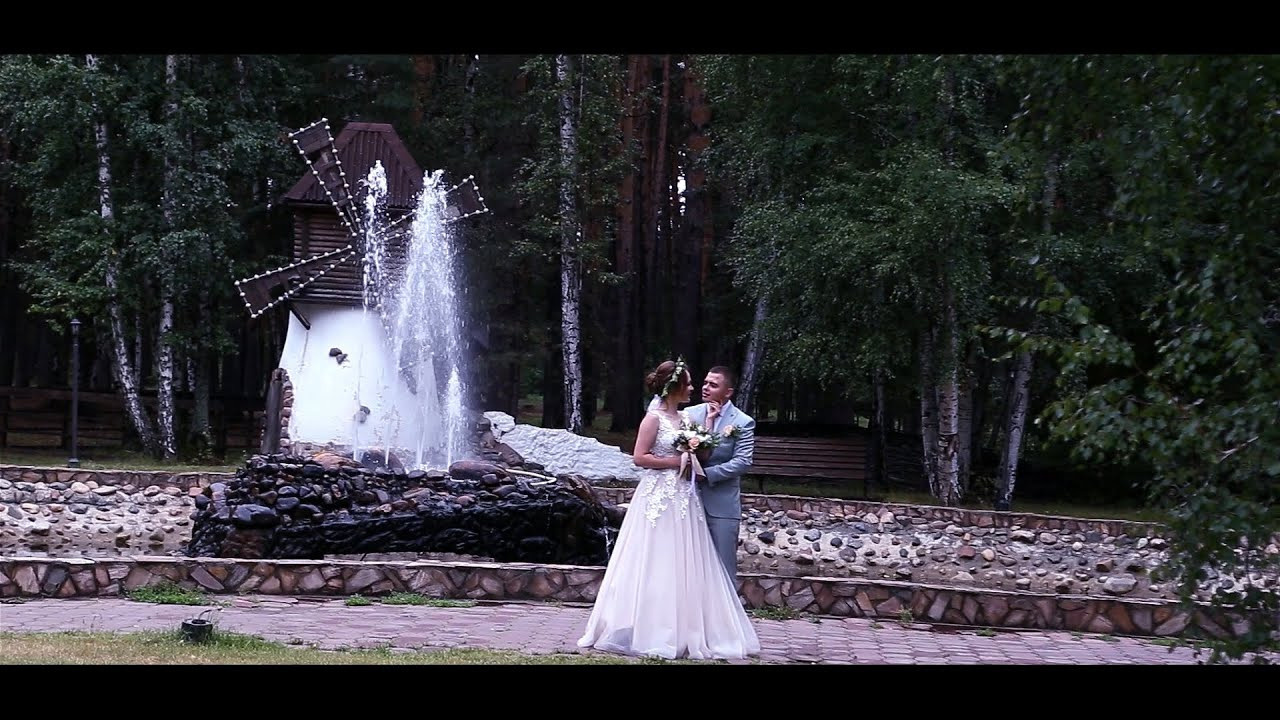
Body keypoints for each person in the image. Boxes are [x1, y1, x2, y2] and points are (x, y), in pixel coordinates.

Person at [577, 359, 760, 660]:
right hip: (658, 495)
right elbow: (639, 457)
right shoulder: (655, 418)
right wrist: (677, 463)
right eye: (689, 383)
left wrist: (708, 430)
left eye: (707, 384)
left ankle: (687, 628)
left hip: (686, 499)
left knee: (685, 562)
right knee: (653, 558)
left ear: (728, 392)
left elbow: (707, 452)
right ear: (674, 387)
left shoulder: (689, 419)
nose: (695, 387)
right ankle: (646, 628)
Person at [684, 365, 755, 585]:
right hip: (687, 497)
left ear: (728, 392)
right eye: (705, 383)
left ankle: (726, 617)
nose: (705, 388)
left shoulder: (742, 422)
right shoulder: (690, 414)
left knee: (723, 566)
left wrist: (708, 474)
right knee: (687, 563)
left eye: (713, 385)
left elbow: (743, 462)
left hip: (722, 503)